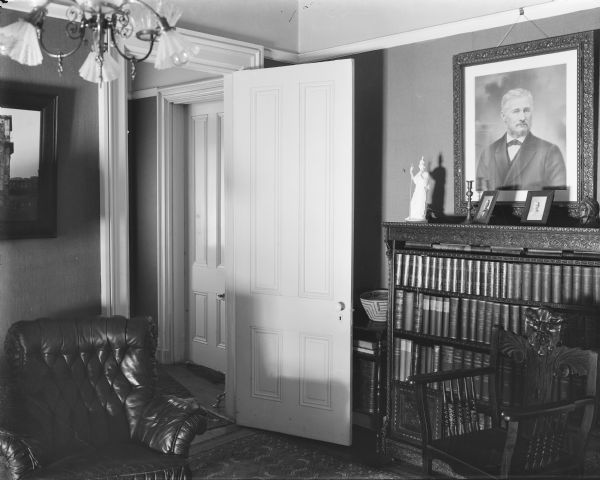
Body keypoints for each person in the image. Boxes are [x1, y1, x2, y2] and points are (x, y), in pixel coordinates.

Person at [476, 88, 566, 191]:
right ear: (503, 116)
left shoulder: (550, 152)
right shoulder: (488, 153)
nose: (522, 117)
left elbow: (559, 199)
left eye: (526, 110)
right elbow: (481, 199)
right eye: (516, 111)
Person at [406, 157, 430, 221]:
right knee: (413, 202)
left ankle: (420, 216)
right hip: (417, 190)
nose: (421, 167)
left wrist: (421, 174)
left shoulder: (426, 174)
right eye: (420, 166)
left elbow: (425, 182)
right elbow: (414, 180)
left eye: (422, 166)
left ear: (424, 167)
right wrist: (411, 172)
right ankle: (412, 215)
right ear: (419, 166)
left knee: (420, 203)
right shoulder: (418, 173)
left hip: (422, 191)